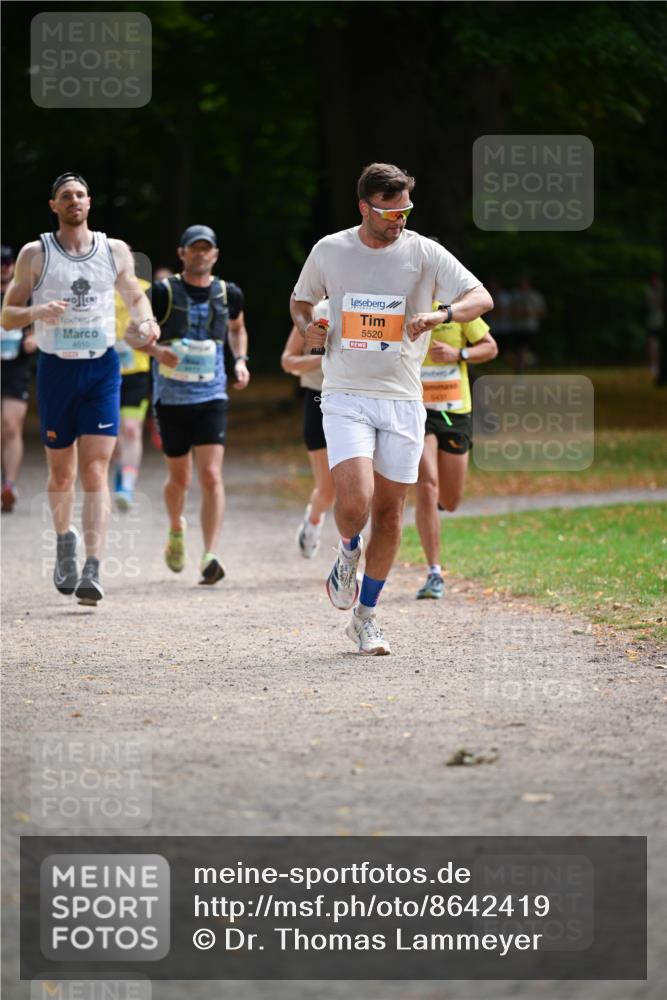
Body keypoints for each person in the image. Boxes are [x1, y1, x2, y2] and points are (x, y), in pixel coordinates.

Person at [291, 162, 492, 654]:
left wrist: (440, 314)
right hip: (346, 395)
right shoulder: (331, 250)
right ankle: (346, 551)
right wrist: (311, 328)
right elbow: (301, 302)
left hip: (403, 399)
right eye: (388, 211)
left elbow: (480, 296)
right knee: (355, 501)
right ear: (364, 207)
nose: (398, 220)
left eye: (405, 210)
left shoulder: (423, 252)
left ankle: (366, 617)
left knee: (389, 511)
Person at [0, 172, 160, 604]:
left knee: (94, 470)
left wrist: (145, 322)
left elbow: (134, 294)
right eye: (65, 196)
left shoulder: (114, 250)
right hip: (55, 370)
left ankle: (92, 565)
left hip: (101, 370)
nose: (74, 200)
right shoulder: (37, 253)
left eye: (80, 194)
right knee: (62, 472)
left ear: (89, 202)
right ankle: (64, 540)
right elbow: (7, 316)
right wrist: (37, 310)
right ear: (53, 205)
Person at [134, 225, 250, 585]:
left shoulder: (228, 293)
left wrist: (241, 360)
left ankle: (210, 554)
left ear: (215, 254)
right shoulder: (163, 292)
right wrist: (155, 350)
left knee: (211, 474)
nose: (201, 254)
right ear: (182, 253)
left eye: (207, 249)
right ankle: (175, 529)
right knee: (179, 479)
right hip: (171, 399)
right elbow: (131, 335)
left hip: (212, 395)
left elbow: (237, 328)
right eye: (194, 249)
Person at [415, 306, 498, 599]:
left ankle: (436, 507)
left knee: (449, 501)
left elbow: (490, 348)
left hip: (455, 409)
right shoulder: (406, 302)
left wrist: (459, 355)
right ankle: (434, 571)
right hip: (416, 408)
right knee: (426, 484)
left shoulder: (457, 310)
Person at [281, 299, 335, 557]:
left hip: (357, 401)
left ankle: (350, 557)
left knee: (360, 488)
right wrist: (322, 356)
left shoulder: (369, 307)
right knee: (327, 490)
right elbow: (288, 361)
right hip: (318, 400)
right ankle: (312, 521)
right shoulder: (316, 312)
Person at [112, 273, 152, 510]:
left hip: (136, 371)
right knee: (114, 439)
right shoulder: (96, 289)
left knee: (131, 430)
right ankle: (120, 468)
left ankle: (127, 486)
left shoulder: (146, 290)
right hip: (106, 371)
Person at [1, 245, 36, 512]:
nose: (4, 267)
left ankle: (9, 485)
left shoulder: (26, 292)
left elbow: (45, 321)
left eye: (8, 262)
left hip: (17, 368)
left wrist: (35, 338)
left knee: (12, 426)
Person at [508, 274, 546, 371]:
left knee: (529, 350)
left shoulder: (535, 296)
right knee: (520, 350)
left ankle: (525, 366)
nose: (523, 285)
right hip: (518, 327)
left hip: (531, 327)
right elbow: (509, 312)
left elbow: (543, 312)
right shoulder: (515, 296)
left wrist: (531, 313)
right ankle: (521, 367)